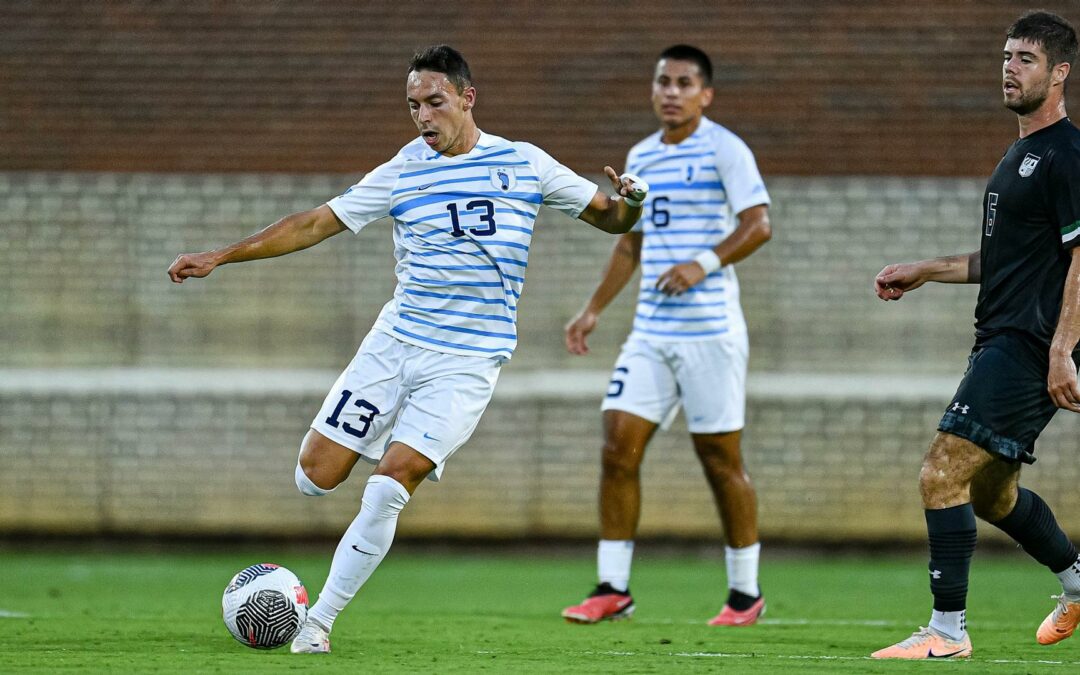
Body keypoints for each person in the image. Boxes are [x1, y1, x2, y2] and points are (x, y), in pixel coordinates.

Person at [167, 44, 648, 654]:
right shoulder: (403, 169)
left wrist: (632, 201)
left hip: (468, 361)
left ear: (467, 98)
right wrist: (221, 255)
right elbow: (317, 221)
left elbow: (612, 219)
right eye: (413, 105)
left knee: (392, 483)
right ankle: (373, 471)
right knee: (315, 478)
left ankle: (318, 625)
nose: (423, 116)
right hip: (395, 345)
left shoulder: (524, 164)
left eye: (435, 102)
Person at [871, 11, 1080, 660]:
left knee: (941, 471)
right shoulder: (1018, 154)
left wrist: (1063, 348)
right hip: (1003, 337)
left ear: (1059, 72)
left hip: (1027, 344)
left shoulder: (1068, 154)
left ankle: (946, 630)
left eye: (1025, 59)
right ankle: (1077, 581)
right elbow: (1007, 261)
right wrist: (926, 271)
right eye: (1007, 56)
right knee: (992, 491)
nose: (1010, 68)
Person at [559, 44, 772, 626]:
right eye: (662, 82)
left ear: (705, 94)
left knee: (719, 459)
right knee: (616, 447)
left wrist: (700, 263)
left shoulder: (725, 149)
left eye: (683, 83)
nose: (670, 92)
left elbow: (759, 225)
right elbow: (630, 242)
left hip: (711, 334)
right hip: (651, 332)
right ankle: (612, 587)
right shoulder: (642, 156)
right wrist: (593, 309)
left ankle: (745, 594)